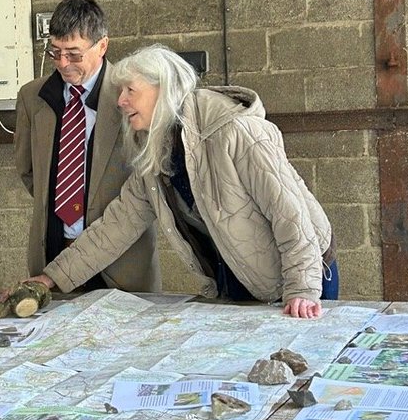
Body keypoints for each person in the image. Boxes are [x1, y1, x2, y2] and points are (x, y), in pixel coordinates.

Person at [18, 44, 338, 317]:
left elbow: (290, 214)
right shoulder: (156, 155)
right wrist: (50, 279)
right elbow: (115, 226)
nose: (120, 102)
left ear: (164, 88)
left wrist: (302, 289)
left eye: (131, 90)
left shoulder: (236, 132)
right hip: (239, 279)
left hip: (302, 277)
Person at [14, 0, 160, 294]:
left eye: (74, 54)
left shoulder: (133, 96)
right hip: (52, 258)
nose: (63, 64)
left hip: (122, 267)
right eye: (55, 52)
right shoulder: (32, 97)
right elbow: (29, 173)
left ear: (102, 46)